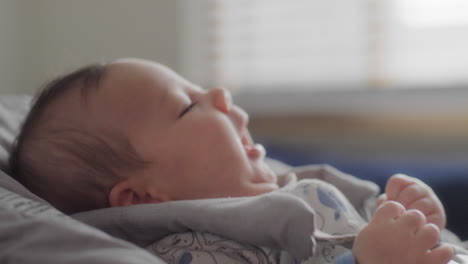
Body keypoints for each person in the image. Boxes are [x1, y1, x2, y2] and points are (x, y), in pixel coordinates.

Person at [8, 58, 454, 264]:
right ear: (141, 195)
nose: (220, 95)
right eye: (187, 106)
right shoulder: (197, 248)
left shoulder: (293, 186)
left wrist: (417, 216)